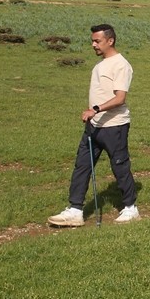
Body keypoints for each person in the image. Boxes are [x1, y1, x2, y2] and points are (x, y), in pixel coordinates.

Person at [49, 23, 140, 227]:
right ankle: (75, 210)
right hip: (94, 125)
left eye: (97, 41)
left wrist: (95, 109)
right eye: (92, 41)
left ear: (110, 40)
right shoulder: (99, 65)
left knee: (120, 166)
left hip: (114, 125)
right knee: (82, 166)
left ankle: (130, 208)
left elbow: (120, 98)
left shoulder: (121, 65)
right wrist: (93, 114)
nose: (93, 45)